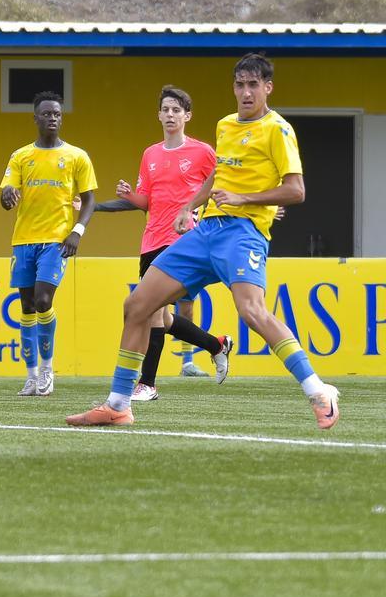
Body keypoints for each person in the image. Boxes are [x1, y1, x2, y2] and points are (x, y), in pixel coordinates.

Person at [67, 53, 340, 429]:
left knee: (252, 312)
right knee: (137, 305)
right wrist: (189, 206)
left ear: (267, 88)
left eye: (253, 85)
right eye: (240, 85)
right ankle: (118, 405)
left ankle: (318, 390)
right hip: (206, 231)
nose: (246, 92)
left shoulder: (278, 130)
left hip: (244, 234)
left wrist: (244, 199)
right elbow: (218, 175)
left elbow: (296, 190)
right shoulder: (226, 125)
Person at [92, 85, 234, 402]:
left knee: (153, 312)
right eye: (165, 109)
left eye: (176, 110)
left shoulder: (202, 152)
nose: (170, 115)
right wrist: (130, 196)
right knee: (164, 318)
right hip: (150, 239)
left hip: (182, 240)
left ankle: (148, 384)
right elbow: (148, 201)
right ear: (158, 115)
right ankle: (217, 344)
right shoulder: (150, 154)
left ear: (187, 116)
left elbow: (223, 183)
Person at [0, 91, 97, 397]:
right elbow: (6, 193)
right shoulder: (21, 156)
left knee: (43, 301)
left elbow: (90, 198)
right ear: (36, 118)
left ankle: (47, 370)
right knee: (27, 306)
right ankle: (30, 375)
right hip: (24, 240)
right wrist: (6, 196)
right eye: (46, 114)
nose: (52, 118)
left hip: (56, 240)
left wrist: (77, 230)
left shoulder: (77, 156)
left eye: (57, 114)